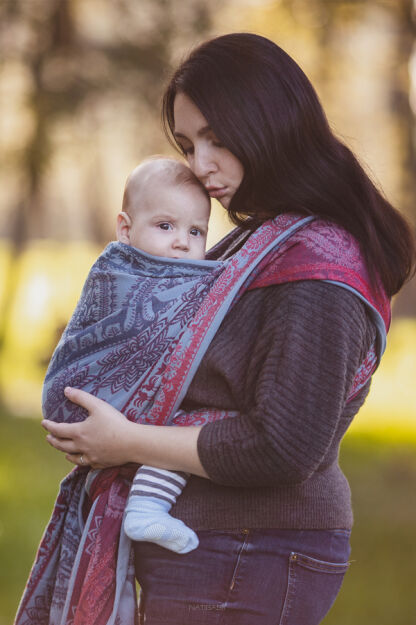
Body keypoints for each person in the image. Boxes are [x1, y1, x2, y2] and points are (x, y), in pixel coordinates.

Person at [19, 33, 415, 625]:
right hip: (227, 548)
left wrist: (126, 442)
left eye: (216, 139)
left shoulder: (315, 265)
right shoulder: (265, 240)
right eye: (187, 143)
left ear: (271, 123)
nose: (200, 167)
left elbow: (284, 445)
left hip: (250, 551)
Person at [44, 156, 213, 554]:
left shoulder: (196, 278)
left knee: (198, 426)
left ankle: (148, 505)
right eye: (165, 226)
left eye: (196, 231)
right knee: (202, 422)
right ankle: (149, 504)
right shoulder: (116, 272)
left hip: (123, 416)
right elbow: (100, 333)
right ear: (125, 228)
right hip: (86, 399)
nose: (182, 242)